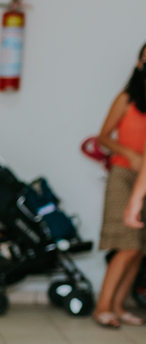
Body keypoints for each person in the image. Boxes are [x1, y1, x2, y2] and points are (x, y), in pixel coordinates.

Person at [96, 43, 146, 328]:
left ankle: (118, 306)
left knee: (139, 248)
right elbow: (103, 136)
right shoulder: (126, 99)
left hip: (144, 179)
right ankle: (102, 307)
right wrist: (130, 154)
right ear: (140, 62)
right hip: (123, 176)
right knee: (125, 245)